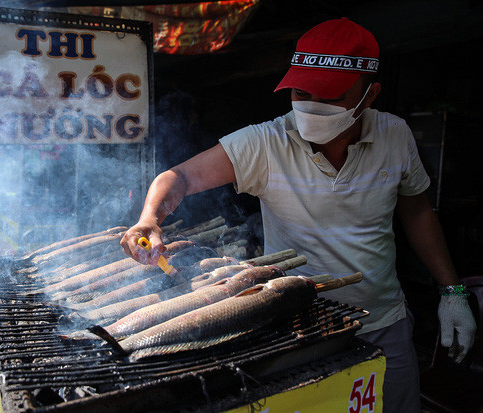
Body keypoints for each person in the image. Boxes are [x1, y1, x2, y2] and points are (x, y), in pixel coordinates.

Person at [120, 18, 477, 413]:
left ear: (370, 94)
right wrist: (150, 218)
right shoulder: (266, 143)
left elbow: (418, 210)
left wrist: (452, 291)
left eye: (329, 96)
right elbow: (180, 176)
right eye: (301, 92)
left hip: (383, 323)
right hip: (297, 327)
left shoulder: (396, 135)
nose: (311, 106)